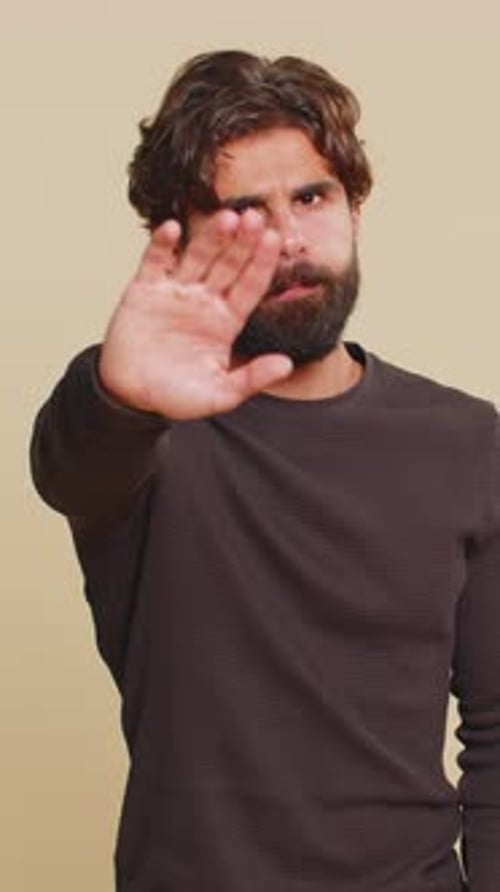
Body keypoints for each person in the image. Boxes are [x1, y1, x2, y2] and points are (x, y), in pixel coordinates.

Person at [30, 50, 500, 892]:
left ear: (355, 206)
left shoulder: (469, 441)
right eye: (243, 211)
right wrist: (123, 395)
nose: (285, 241)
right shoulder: (134, 420)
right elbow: (72, 467)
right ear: (174, 237)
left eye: (311, 197)